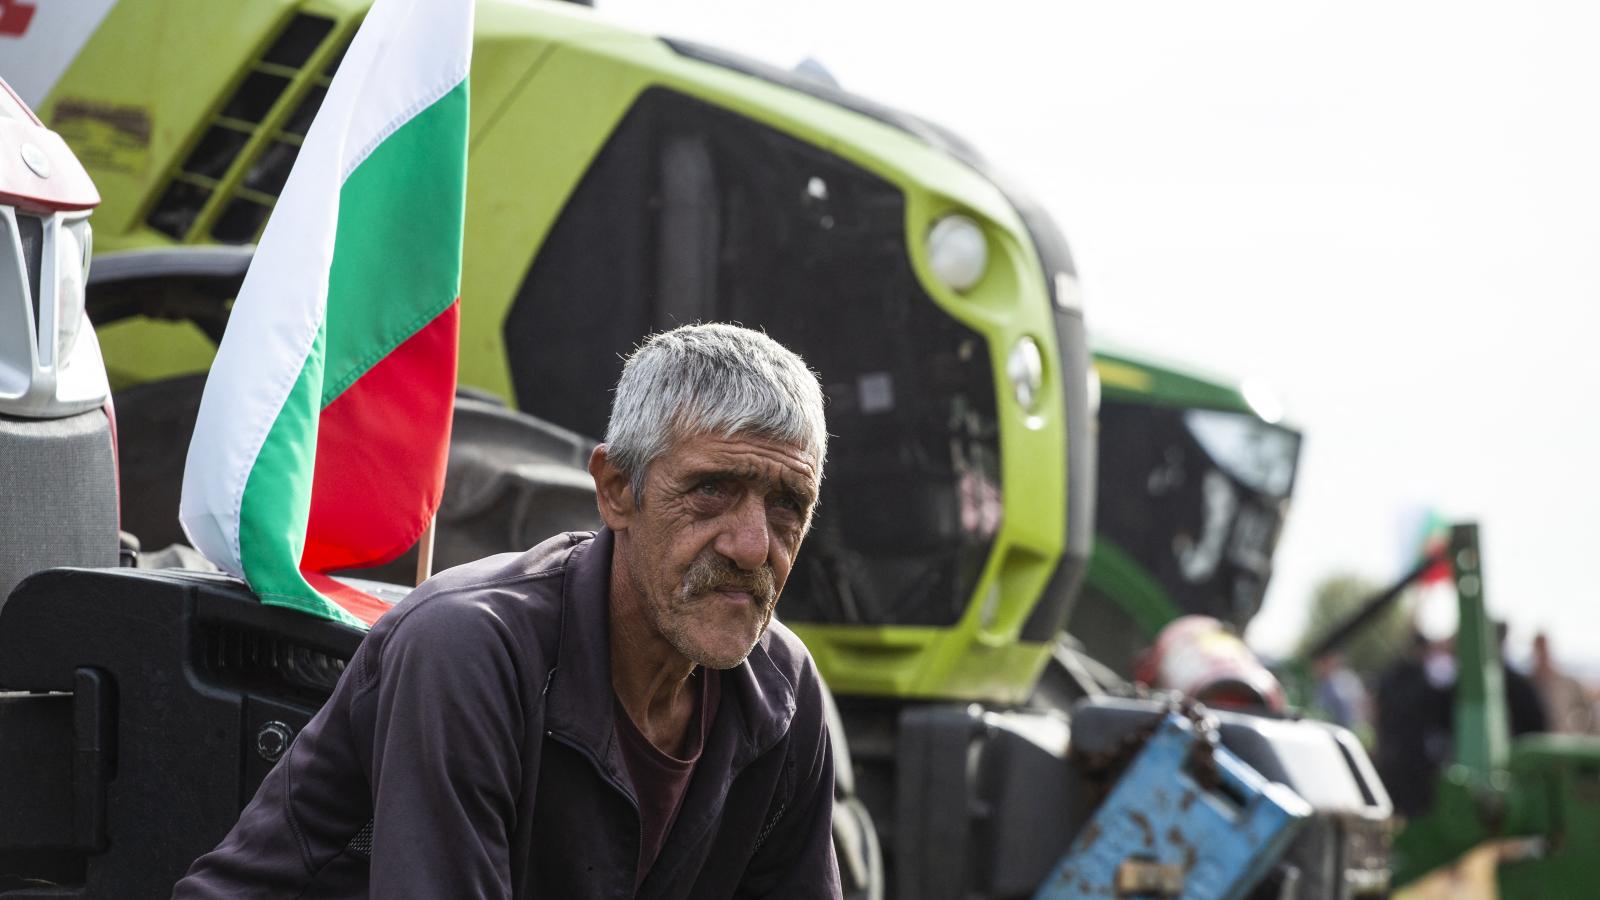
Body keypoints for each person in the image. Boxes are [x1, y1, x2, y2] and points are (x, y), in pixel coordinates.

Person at [174, 323, 843, 899]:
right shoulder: (467, 648)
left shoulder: (780, 689)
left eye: (788, 504)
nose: (754, 547)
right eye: (712, 490)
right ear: (615, 491)